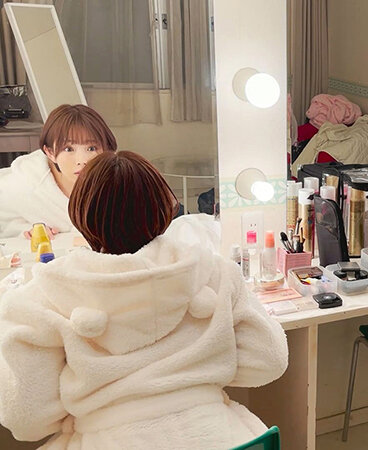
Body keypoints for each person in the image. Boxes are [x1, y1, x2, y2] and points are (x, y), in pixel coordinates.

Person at [0, 151, 288, 449]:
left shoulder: (45, 295)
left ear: (80, 214)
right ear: (164, 209)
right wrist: (199, 378)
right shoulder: (214, 272)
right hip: (219, 437)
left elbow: (26, 417)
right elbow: (268, 361)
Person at [0, 104, 117, 238]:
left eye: (91, 148)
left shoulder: (119, 181)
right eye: (68, 149)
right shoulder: (24, 185)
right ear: (50, 152)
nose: (82, 160)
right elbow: (5, 225)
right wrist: (25, 231)